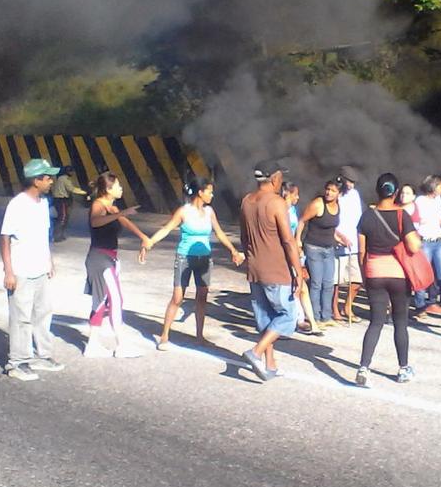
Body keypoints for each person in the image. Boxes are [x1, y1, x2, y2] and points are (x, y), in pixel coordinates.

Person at [142, 176, 245, 350]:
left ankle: (199, 336)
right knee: (177, 298)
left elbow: (219, 233)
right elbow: (167, 228)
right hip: (184, 258)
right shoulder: (184, 211)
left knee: (202, 297)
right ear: (200, 192)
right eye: (209, 192)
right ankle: (165, 336)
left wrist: (233, 251)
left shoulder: (210, 212)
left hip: (204, 258)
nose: (212, 195)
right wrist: (150, 242)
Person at [355, 173, 423, 387]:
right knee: (400, 322)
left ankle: (363, 368)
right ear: (395, 193)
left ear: (377, 191)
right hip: (399, 275)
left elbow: (361, 251)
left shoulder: (366, 216)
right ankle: (403, 369)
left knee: (375, 322)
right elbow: (413, 246)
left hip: (374, 271)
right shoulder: (402, 215)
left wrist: (365, 274)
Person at [239, 159, 305, 381]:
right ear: (274, 178)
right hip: (276, 270)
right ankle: (255, 352)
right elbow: (288, 240)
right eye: (280, 177)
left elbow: (244, 238)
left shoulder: (246, 201)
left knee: (265, 318)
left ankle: (270, 364)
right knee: (288, 316)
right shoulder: (276, 202)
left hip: (255, 269)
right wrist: (298, 271)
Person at [0, 158, 64, 381]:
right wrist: (8, 272)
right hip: (21, 271)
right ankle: (17, 362)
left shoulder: (43, 203)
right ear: (36, 180)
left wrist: (49, 260)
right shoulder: (17, 204)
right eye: (48, 178)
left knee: (44, 314)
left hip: (40, 269)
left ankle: (43, 356)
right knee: (21, 318)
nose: (51, 181)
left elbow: (43, 235)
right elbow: (5, 238)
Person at [83, 172, 152, 358]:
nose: (121, 189)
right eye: (118, 186)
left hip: (109, 258)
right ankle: (121, 345)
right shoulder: (98, 205)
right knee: (116, 300)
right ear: (108, 189)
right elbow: (95, 222)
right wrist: (121, 213)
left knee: (101, 302)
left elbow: (126, 223)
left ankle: (91, 345)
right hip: (99, 259)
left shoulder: (112, 208)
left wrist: (144, 238)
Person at [412, 174, 441, 319]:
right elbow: (418, 221)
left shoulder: (439, 201)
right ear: (432, 186)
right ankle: (420, 306)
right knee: (422, 274)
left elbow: (440, 221)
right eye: (439, 186)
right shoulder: (419, 201)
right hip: (425, 241)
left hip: (439, 241)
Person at [296, 180, 341, 327]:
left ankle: (326, 317)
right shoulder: (317, 204)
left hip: (329, 248)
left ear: (338, 194)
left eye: (333, 191)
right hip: (314, 248)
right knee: (316, 283)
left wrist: (339, 238)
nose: (329, 193)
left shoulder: (337, 206)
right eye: (327, 189)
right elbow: (302, 221)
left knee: (328, 283)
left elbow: (331, 228)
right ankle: (314, 316)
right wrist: (298, 241)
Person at [282, 182, 322, 336]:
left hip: (293, 250)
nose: (298, 197)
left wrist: (297, 245)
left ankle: (307, 321)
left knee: (301, 286)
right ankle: (300, 320)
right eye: (295, 194)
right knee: (297, 287)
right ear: (287, 194)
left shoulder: (292, 209)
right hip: (284, 253)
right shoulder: (279, 209)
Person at [332, 166, 364, 324]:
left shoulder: (355, 195)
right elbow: (330, 218)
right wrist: (339, 235)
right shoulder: (335, 195)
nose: (351, 185)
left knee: (357, 279)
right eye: (349, 182)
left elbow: (358, 218)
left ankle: (348, 306)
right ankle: (335, 310)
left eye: (353, 182)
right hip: (338, 242)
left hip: (355, 243)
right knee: (336, 281)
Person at [51, 165, 87, 242]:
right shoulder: (64, 179)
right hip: (61, 200)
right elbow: (72, 189)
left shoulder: (62, 178)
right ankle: (57, 236)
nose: (72, 173)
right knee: (63, 217)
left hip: (60, 200)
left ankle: (59, 234)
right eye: (71, 171)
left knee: (63, 217)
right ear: (67, 172)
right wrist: (84, 192)